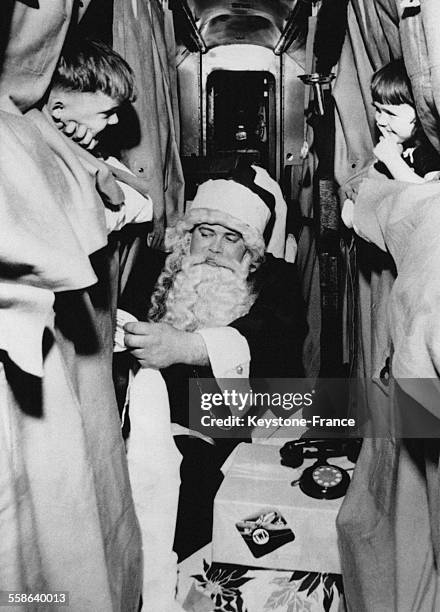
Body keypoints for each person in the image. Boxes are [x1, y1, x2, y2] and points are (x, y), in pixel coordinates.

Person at [121, 161, 306, 564]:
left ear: (251, 253)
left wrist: (187, 347)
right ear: (187, 238)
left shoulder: (276, 283)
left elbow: (274, 341)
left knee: (219, 527)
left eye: (231, 238)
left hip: (238, 433)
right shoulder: (155, 271)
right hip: (152, 428)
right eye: (205, 234)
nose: (215, 249)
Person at [342, 59, 440, 229]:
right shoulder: (403, 146)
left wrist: (392, 160)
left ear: (420, 113)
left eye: (390, 113)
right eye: (378, 110)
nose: (380, 120)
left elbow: (429, 199)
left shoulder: (428, 151)